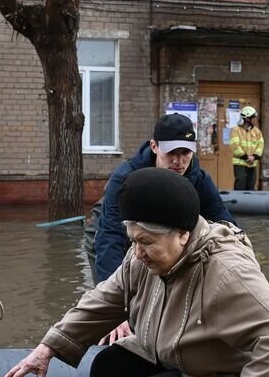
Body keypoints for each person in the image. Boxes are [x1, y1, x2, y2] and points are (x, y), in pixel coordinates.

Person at [3, 167, 269, 377]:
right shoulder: (141, 257)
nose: (138, 252)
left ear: (182, 234)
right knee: (108, 367)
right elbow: (105, 300)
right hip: (177, 359)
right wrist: (49, 346)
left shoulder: (227, 272)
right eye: (133, 240)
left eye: (146, 242)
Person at [85, 112, 233, 287]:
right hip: (112, 231)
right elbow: (110, 236)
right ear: (154, 146)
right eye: (171, 153)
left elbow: (226, 226)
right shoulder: (125, 177)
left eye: (185, 152)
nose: (178, 161)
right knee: (119, 289)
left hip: (161, 228)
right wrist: (114, 295)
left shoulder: (200, 180)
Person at [229, 105, 264, 191]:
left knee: (251, 185)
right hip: (240, 163)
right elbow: (235, 145)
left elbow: (260, 145)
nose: (254, 120)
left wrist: (254, 156)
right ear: (247, 118)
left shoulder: (257, 131)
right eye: (253, 117)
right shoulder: (236, 130)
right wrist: (246, 157)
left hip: (252, 163)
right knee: (240, 184)